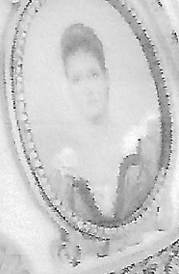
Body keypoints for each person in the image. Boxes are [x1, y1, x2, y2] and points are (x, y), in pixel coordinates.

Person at [49, 22, 160, 224]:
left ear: (106, 78)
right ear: (68, 89)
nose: (88, 89)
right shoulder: (65, 169)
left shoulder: (139, 146)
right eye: (77, 79)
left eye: (93, 75)